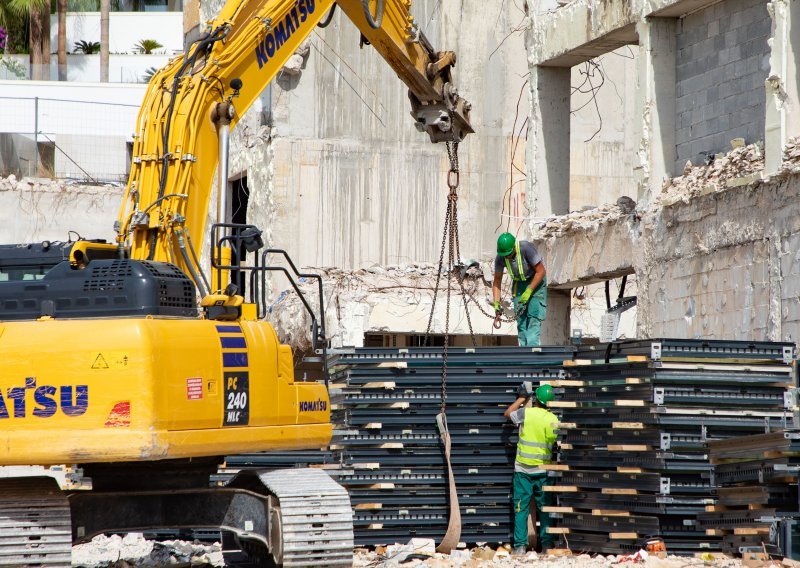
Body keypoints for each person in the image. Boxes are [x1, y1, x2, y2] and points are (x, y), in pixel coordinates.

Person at [503, 382, 558, 556]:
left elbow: (507, 414)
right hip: (543, 471)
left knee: (521, 508)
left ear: (536, 399)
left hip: (523, 470)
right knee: (545, 508)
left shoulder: (526, 413)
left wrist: (521, 398)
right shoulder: (553, 419)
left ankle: (520, 547)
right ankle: (547, 546)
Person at [492, 232, 546, 346]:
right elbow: (497, 281)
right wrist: (497, 304)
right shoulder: (501, 256)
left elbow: (541, 271)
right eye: (504, 255)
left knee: (533, 319)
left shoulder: (527, 249)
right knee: (521, 321)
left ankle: (533, 352)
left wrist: (529, 290)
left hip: (535, 281)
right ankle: (523, 351)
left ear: (514, 247)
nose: (506, 257)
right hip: (519, 285)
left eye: (508, 254)